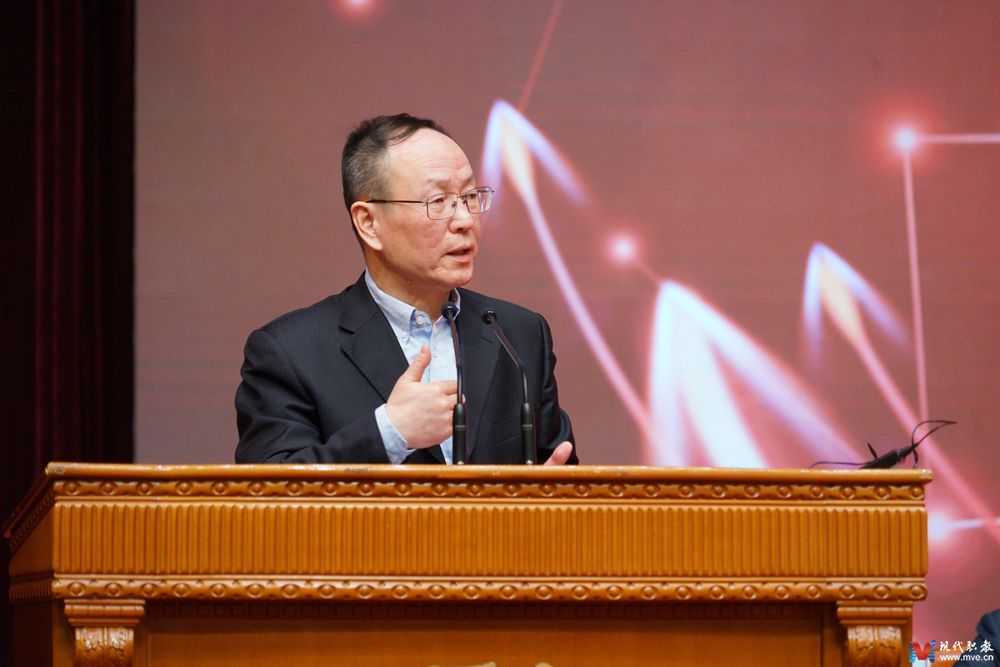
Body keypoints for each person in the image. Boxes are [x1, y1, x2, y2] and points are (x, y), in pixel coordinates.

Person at [235, 113, 576, 465]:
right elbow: (270, 490)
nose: (465, 221)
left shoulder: (517, 335)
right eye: (438, 201)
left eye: (470, 196)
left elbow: (560, 471)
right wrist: (390, 433)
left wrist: (553, 492)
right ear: (369, 223)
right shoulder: (290, 352)